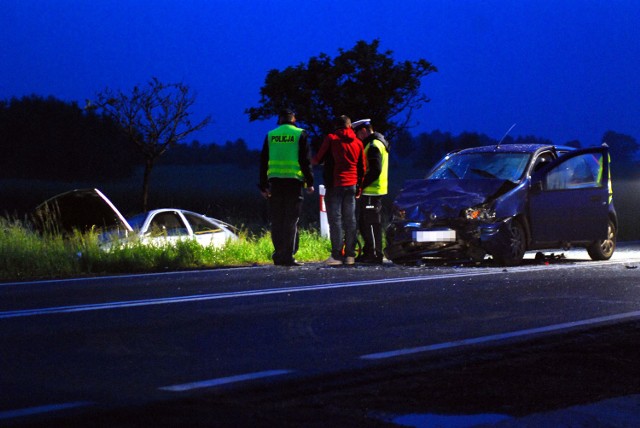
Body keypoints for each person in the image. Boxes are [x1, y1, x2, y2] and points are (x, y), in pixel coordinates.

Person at [259, 108, 314, 266]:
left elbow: (263, 161)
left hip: (275, 183)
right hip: (293, 183)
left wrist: (263, 186)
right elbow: (305, 160)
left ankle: (278, 255)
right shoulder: (300, 134)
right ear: (294, 119)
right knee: (291, 220)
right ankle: (288, 256)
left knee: (277, 220)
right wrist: (310, 182)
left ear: (280, 120)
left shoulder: (271, 135)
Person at [312, 115, 365, 266]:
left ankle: (336, 255)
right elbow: (362, 167)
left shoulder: (331, 139)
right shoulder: (358, 142)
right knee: (350, 220)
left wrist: (309, 161)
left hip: (335, 184)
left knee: (335, 220)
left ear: (336, 126)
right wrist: (359, 187)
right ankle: (350, 255)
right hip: (352, 185)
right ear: (350, 126)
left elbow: (319, 158)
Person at [352, 118, 389, 264]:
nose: (358, 138)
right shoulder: (378, 142)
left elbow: (375, 170)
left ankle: (374, 254)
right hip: (374, 191)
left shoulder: (373, 145)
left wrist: (361, 185)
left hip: (371, 191)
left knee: (371, 224)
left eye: (358, 134)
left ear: (363, 131)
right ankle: (370, 252)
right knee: (367, 222)